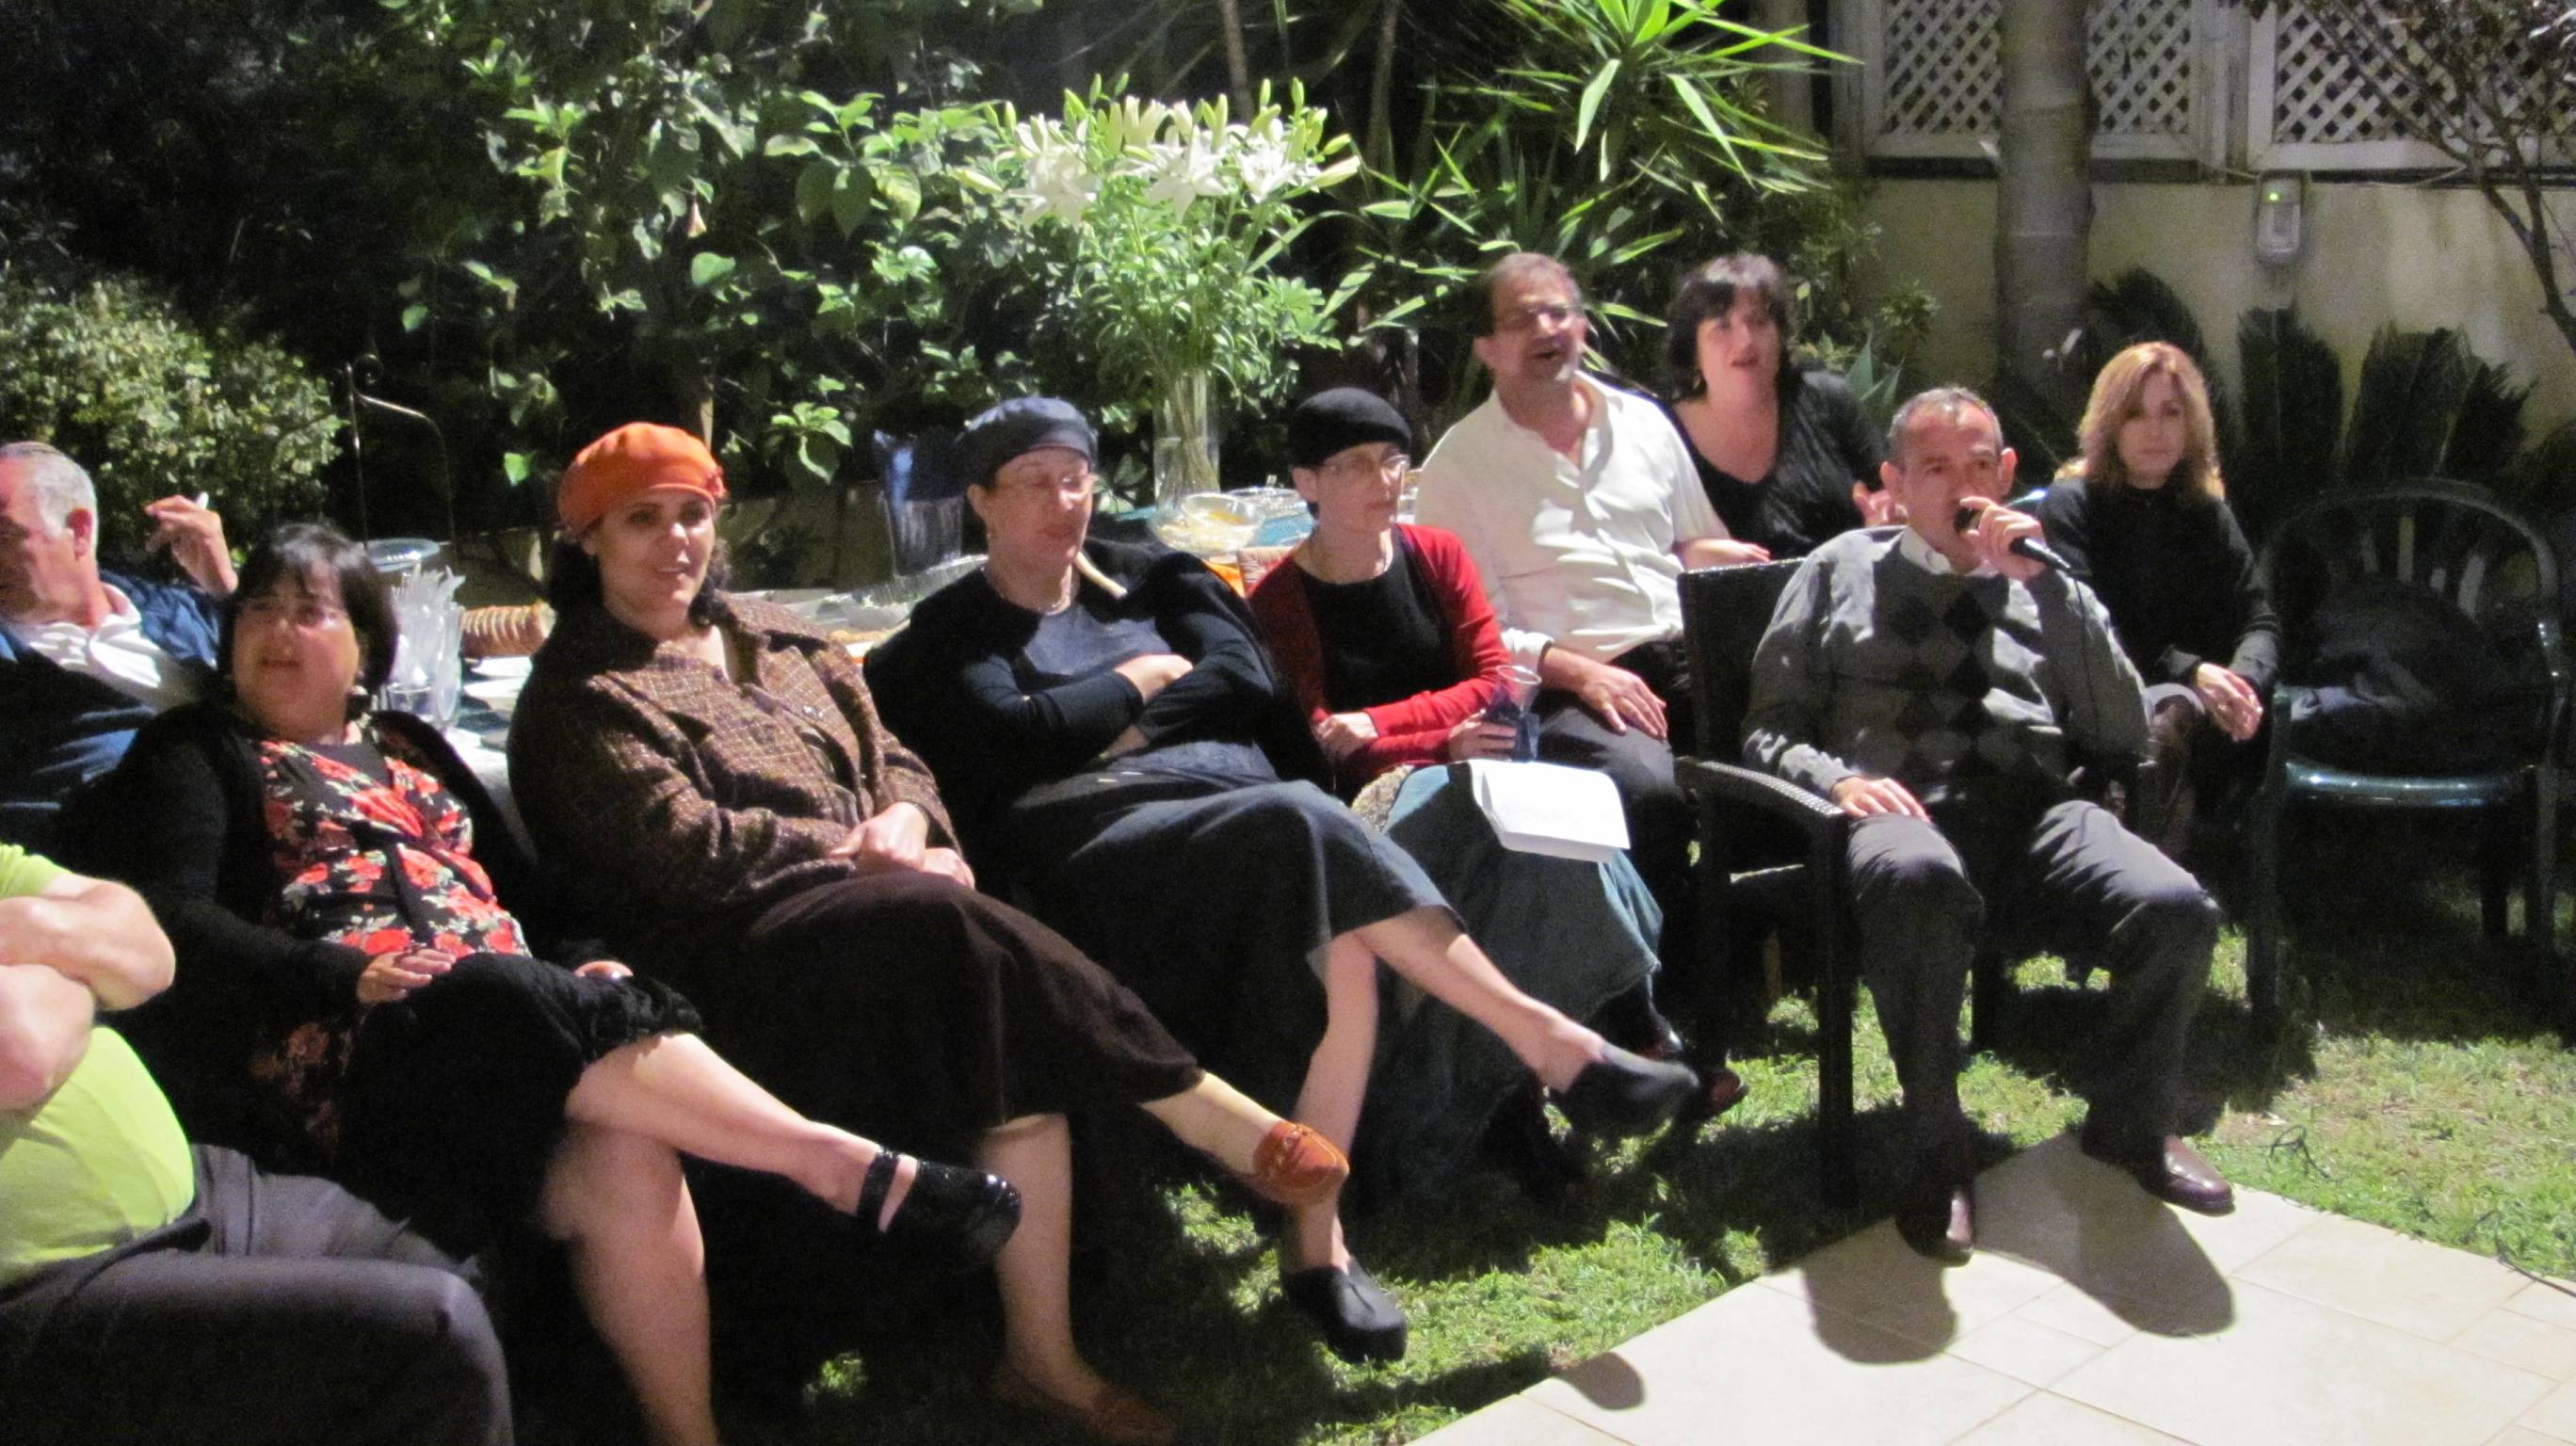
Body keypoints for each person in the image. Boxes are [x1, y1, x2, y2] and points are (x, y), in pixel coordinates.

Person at [67, 523, 1022, 1446]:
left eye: (309, 612)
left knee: (625, 1159)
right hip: (352, 1051)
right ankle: (839, 1166)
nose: (278, 632)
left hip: (502, 1032)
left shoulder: (410, 744)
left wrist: (587, 957)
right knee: (495, 988)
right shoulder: (199, 750)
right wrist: (343, 974)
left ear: (364, 649)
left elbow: (528, 894)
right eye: (259, 609)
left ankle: (687, 1435)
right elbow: (174, 918)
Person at [509, 423, 1347, 1445]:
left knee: (998, 1023)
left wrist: (911, 822)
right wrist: (867, 856)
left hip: (888, 923)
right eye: (643, 520)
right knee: (945, 925)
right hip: (732, 960)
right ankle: (1199, 1111)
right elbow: (688, 848)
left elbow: (898, 759)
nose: (676, 539)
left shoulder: (778, 634)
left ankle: (1042, 1359)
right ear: (588, 540)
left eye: (693, 514)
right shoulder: (581, 695)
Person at [865, 396, 1702, 1358]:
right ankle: (1550, 1046)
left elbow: (1244, 676)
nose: (1064, 502)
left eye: (1076, 478)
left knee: (1338, 921)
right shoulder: (953, 631)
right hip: (1101, 845)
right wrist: (1141, 680)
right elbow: (1020, 733)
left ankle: (1319, 1243)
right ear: (980, 500)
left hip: (1238, 814)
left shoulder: (1153, 575)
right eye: (1032, 483)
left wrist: (1120, 724)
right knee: (1304, 823)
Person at [1743, 387, 2232, 1262]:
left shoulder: (2044, 577)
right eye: (1934, 468)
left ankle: (2131, 1122)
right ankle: (1937, 1150)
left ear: (2007, 475)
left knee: (2176, 908)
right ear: (1895, 483)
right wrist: (1839, 779)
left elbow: (2122, 731)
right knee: (1918, 878)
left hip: (2033, 810)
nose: (1961, 487)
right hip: (1903, 813)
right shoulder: (1838, 569)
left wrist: (2050, 590)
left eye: (1979, 466)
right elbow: (1769, 728)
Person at [1247, 387, 1745, 1194]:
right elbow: (1316, 738)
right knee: (1510, 846)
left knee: (1534, 847)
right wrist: (1429, 741)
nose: (1383, 481)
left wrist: (1384, 724)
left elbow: (1490, 679)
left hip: (1476, 774)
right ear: (1306, 483)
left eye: (1393, 461)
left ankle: (1533, 1095)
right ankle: (1628, 1032)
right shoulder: (1279, 601)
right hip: (1372, 809)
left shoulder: (1435, 555)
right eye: (1355, 466)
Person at [0, 843, 514, 1446]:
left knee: (449, 1244)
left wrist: (34, 930)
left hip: (190, 1189)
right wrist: (71, 965)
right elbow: (21, 1050)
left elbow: (148, 952)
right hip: (39, 1284)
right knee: (435, 1331)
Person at [1412, 252, 1763, 1045]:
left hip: (1689, 650)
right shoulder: (1458, 468)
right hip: (1572, 680)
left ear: (1583, 325)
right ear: (1486, 348)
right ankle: (1652, 993)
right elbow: (1477, 630)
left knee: (1788, 754)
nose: (1548, 329)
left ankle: (1776, 950)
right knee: (1648, 790)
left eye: (1560, 312)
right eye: (1523, 318)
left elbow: (1690, 543)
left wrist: (1740, 565)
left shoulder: (1643, 423)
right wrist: (1578, 670)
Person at [2034, 343, 2278, 860]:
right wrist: (2191, 673)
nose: (2155, 430)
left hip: (2211, 704)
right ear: (2109, 424)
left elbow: (2258, 619)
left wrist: (2243, 682)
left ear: (2192, 424)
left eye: (2171, 412)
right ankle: (2148, 873)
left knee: (2191, 717)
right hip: (2105, 698)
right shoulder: (2071, 506)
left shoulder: (2207, 512)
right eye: (2136, 414)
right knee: (2166, 718)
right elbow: (2091, 627)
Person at [0, 441, 239, 849]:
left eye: (5, 534)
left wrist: (226, 591)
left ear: (79, 530)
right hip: (97, 862)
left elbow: (290, 696)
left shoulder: (188, 617)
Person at [1659, 253, 1883, 560]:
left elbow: (1890, 495)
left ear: (1780, 336)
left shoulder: (1828, 401)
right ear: (1693, 351)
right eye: (1722, 327)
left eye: (1758, 322)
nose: (1745, 341)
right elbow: (1631, 547)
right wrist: (1684, 557)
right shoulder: (1659, 433)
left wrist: (1888, 517)